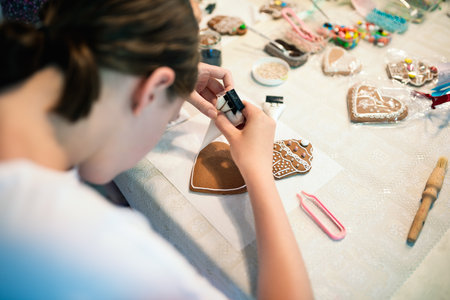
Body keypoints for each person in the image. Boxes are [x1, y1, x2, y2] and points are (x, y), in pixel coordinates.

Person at [0, 0, 313, 299]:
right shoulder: (91, 245)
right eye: (170, 112)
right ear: (151, 90)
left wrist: (175, 81)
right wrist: (259, 173)